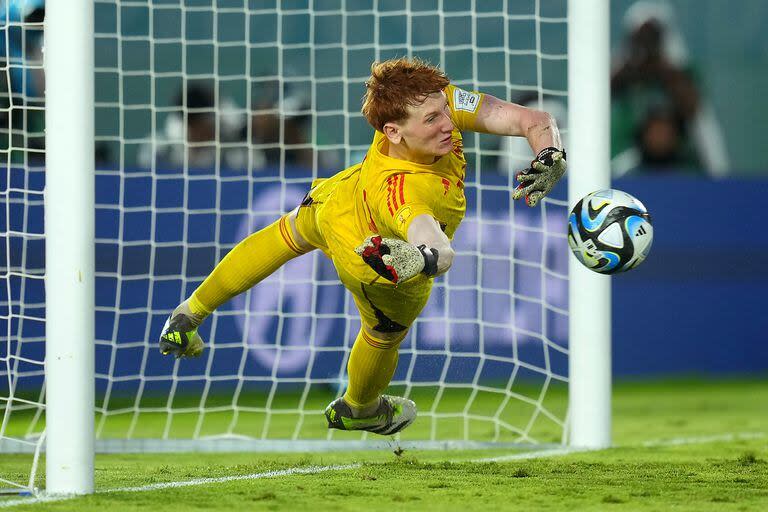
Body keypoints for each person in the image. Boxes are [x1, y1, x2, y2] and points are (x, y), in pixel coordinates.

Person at [158, 57, 566, 435]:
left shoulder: (432, 103)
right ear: (393, 132)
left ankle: (188, 312)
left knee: (286, 234)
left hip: (338, 199)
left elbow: (531, 119)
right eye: (432, 119)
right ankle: (359, 407)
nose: (448, 123)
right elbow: (437, 247)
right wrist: (422, 259)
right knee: (384, 332)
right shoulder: (404, 189)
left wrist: (551, 154)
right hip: (372, 252)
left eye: (445, 110)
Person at [611, 0, 728, 177]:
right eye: (642, 37)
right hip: (628, 165)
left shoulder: (682, 75)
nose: (647, 43)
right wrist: (636, 62)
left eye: (652, 37)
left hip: (680, 168)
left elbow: (693, 107)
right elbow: (606, 90)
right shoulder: (624, 75)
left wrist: (659, 65)